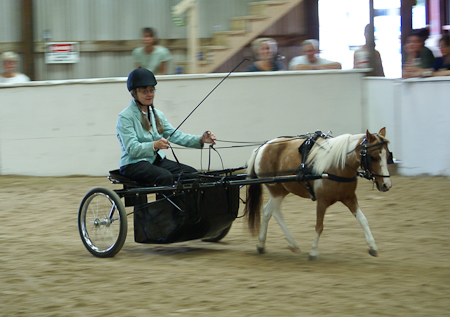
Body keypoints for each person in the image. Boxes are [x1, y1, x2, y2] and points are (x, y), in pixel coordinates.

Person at [117, 67, 216, 186]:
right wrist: (154, 145)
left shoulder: (157, 114)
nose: (150, 94)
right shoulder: (125, 117)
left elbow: (176, 136)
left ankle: (184, 205)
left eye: (152, 90)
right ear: (134, 93)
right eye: (145, 91)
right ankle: (166, 205)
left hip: (154, 160)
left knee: (191, 174)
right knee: (165, 177)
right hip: (133, 164)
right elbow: (132, 148)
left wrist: (200, 139)